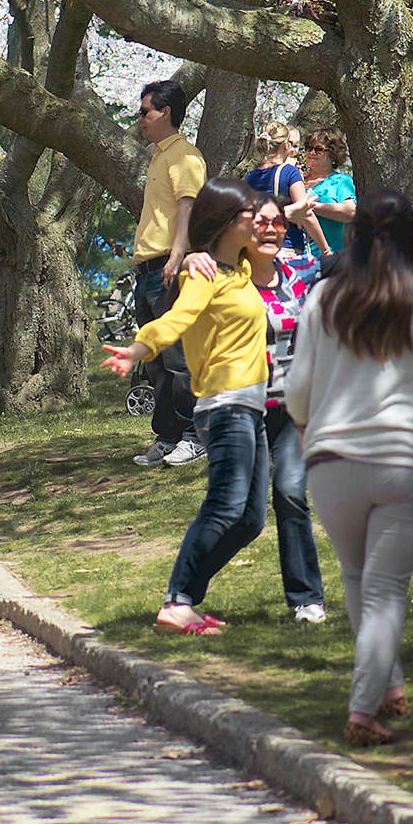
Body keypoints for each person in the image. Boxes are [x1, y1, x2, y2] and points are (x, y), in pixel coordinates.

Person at [283, 190, 413, 747]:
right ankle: (364, 709)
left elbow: (298, 396)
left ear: (356, 234)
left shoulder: (323, 301)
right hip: (407, 462)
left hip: (332, 461)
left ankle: (387, 687)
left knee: (357, 579)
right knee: (386, 589)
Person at [103, 175, 274, 636]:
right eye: (248, 215)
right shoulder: (204, 275)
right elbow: (173, 320)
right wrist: (138, 349)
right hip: (224, 406)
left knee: (252, 518)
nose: (258, 221)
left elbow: (275, 235)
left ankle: (186, 600)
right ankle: (178, 600)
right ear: (224, 222)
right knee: (225, 505)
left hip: (249, 406)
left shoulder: (237, 271)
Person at [178, 194, 330, 622]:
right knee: (245, 519)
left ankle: (306, 599)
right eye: (259, 222)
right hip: (243, 408)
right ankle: (184, 591)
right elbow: (181, 292)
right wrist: (189, 258)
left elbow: (356, 263)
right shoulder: (225, 277)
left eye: (278, 222)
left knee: (291, 494)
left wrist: (395, 239)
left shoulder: (301, 269)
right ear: (243, 232)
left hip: (293, 407)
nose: (269, 229)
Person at [129, 80, 208, 469]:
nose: (140, 118)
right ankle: (168, 436)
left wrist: (177, 256)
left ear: (167, 113)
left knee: (179, 357)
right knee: (156, 360)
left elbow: (188, 207)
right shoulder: (158, 156)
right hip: (146, 270)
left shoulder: (185, 157)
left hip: (169, 267)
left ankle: (195, 436)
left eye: (146, 111)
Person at [245, 123, 313, 257]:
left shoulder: (250, 177)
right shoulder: (290, 173)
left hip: (258, 250)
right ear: (285, 145)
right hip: (287, 247)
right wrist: (325, 249)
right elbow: (306, 213)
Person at [302, 127, 358, 256]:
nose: (312, 153)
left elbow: (350, 212)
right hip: (293, 260)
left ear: (333, 153)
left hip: (327, 260)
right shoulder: (297, 180)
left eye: (319, 149)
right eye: (309, 148)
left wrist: (310, 206)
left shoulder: (340, 181)